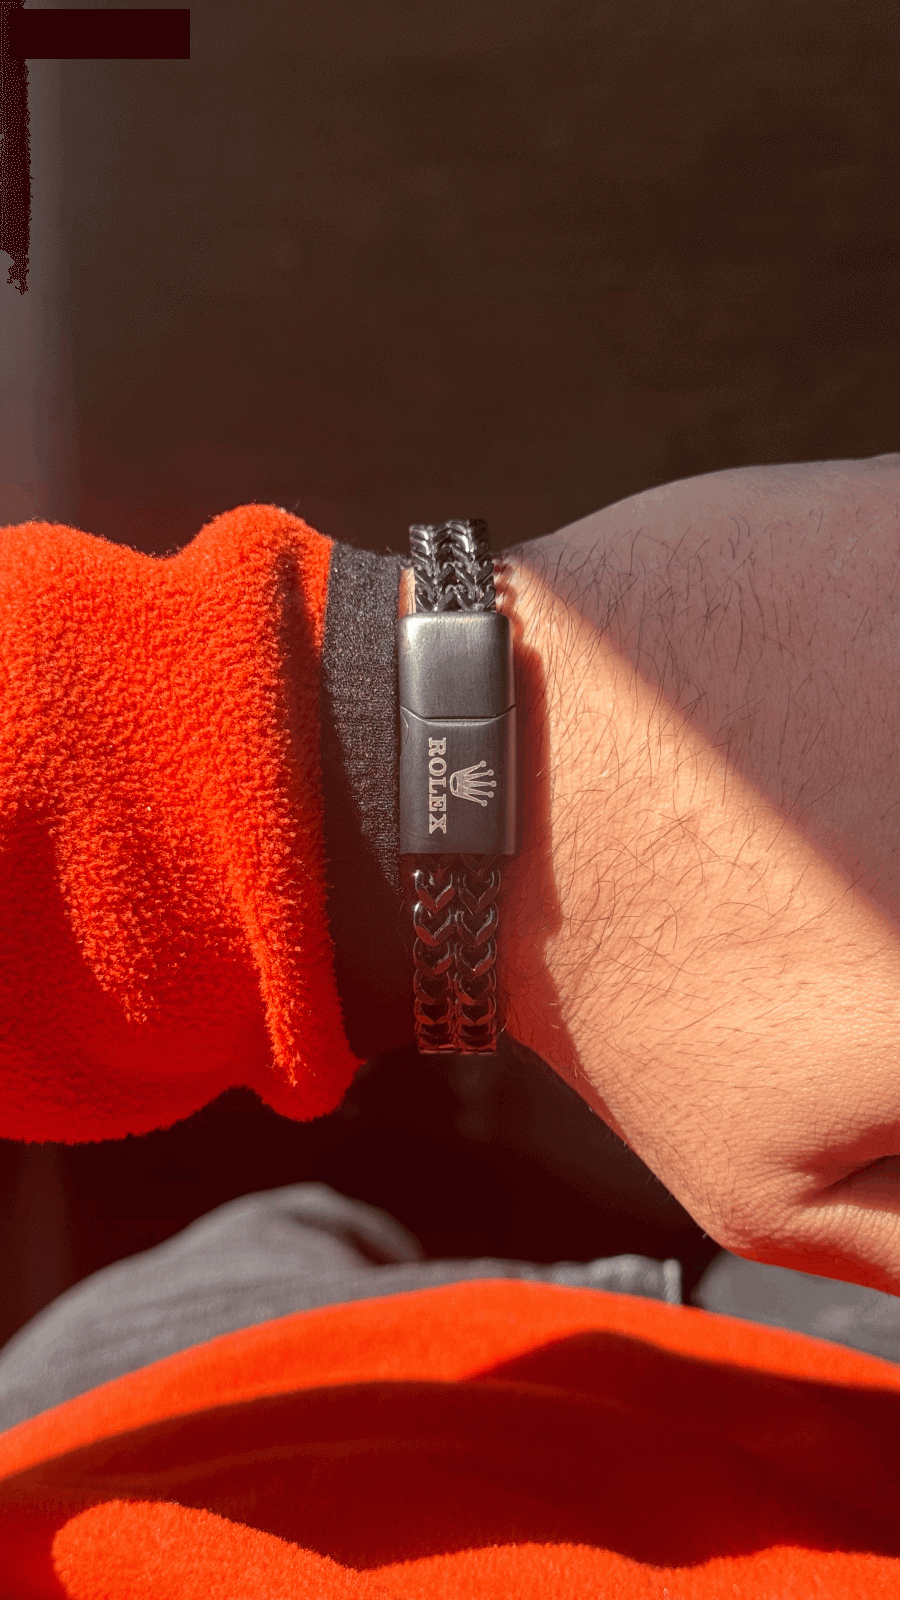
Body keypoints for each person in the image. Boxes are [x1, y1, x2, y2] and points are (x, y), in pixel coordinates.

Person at [0, 454, 898, 1597]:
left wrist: (378, 760)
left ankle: (441, 1088)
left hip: (159, 1398)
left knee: (305, 1213)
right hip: (809, 1416)